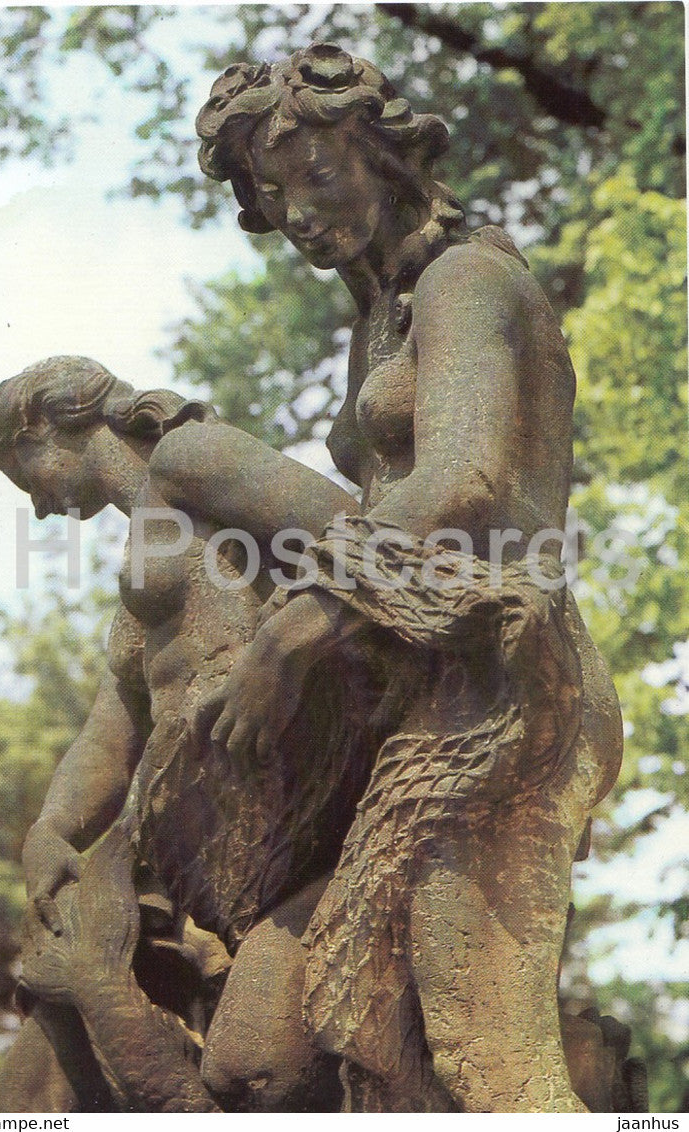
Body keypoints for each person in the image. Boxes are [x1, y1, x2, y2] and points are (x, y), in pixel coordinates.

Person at [176, 44, 626, 1111]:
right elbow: (384, 504)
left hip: (503, 690)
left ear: (383, 154)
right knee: (314, 1047)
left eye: (316, 172)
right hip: (413, 683)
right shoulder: (379, 313)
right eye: (271, 191)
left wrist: (300, 628)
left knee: (489, 1066)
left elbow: (463, 480)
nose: (293, 209)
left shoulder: (469, 279)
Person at [0, 355, 369, 1111]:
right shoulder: (144, 572)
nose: (39, 507)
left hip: (305, 829)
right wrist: (52, 828)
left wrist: (281, 650)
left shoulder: (192, 456)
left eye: (26, 479)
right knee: (57, 1044)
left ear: (44, 428)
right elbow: (112, 725)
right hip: (209, 862)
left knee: (254, 1069)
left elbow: (367, 542)